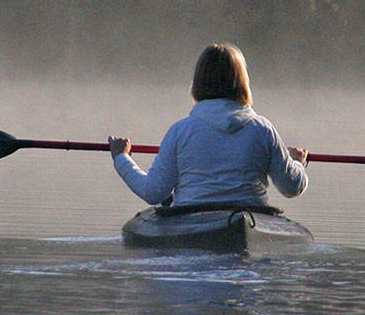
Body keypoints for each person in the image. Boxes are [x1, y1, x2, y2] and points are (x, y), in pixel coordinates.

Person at [109, 44, 308, 208]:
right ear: (243, 83)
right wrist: (297, 163)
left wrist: (121, 157)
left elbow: (153, 192)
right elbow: (291, 187)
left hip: (190, 222)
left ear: (198, 83)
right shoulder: (263, 130)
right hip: (249, 217)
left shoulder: (181, 131)